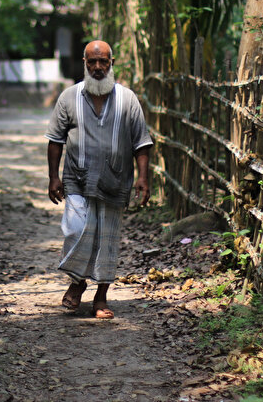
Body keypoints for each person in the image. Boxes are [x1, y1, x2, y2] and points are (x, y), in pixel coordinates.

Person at [45, 40, 153, 319]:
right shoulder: (69, 97)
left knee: (108, 238)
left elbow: (141, 142)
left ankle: (101, 297)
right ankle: (78, 282)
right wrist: (53, 177)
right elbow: (55, 140)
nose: (97, 67)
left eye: (102, 61)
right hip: (77, 178)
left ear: (111, 63)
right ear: (84, 63)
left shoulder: (127, 99)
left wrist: (143, 177)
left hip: (115, 180)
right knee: (75, 230)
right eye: (91, 62)